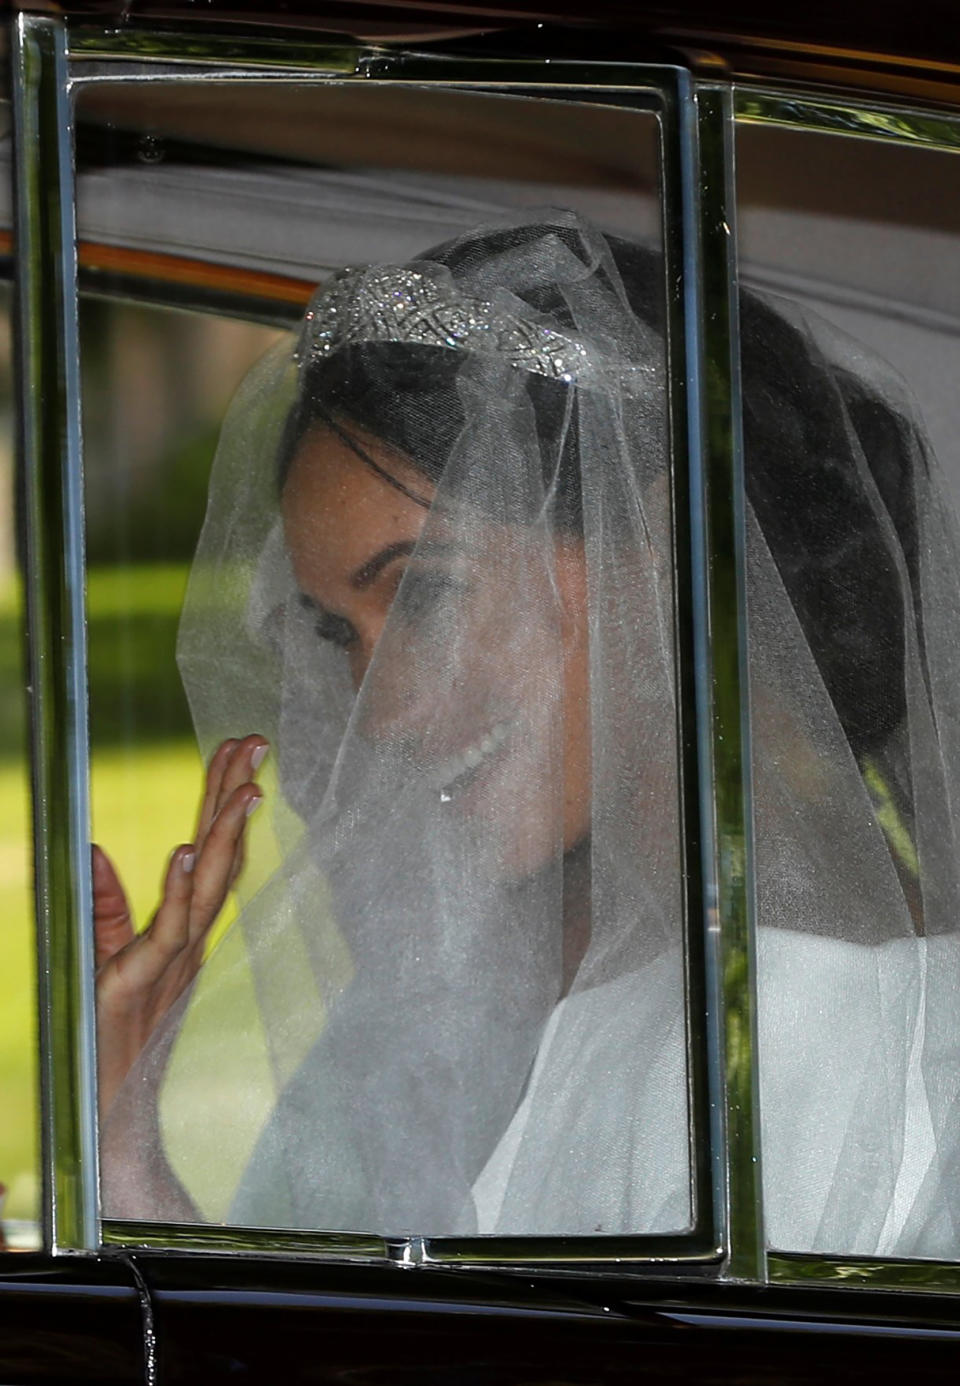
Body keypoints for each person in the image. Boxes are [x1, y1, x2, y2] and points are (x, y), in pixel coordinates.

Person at [95, 213, 960, 1254]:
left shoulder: (826, 1030)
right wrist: (125, 1142)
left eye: (424, 595)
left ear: (663, 550)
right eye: (338, 631)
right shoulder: (534, 1006)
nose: (383, 713)